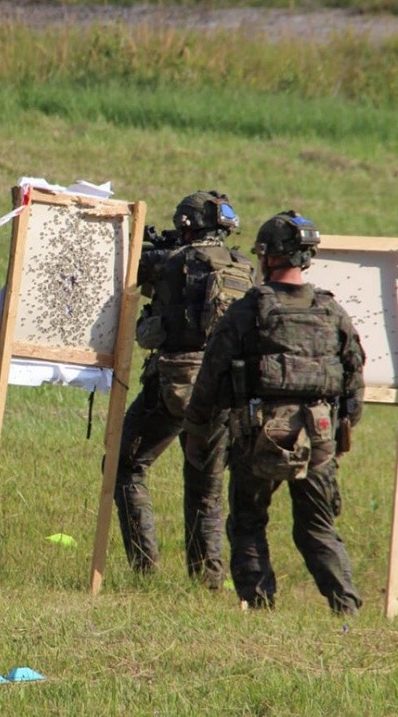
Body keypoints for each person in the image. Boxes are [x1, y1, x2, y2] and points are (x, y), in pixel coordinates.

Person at [183, 210, 365, 613]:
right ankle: (346, 608)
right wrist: (340, 429)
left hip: (260, 435)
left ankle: (259, 606)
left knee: (248, 523)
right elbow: (354, 382)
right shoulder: (332, 311)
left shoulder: (249, 310)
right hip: (318, 435)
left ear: (268, 257)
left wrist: (198, 431)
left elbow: (211, 377)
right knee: (317, 527)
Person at [114, 190, 256, 585]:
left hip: (176, 382)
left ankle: (144, 569)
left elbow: (133, 269)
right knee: (206, 489)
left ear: (185, 224)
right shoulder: (243, 266)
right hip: (225, 388)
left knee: (125, 466)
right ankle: (207, 580)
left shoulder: (174, 262)